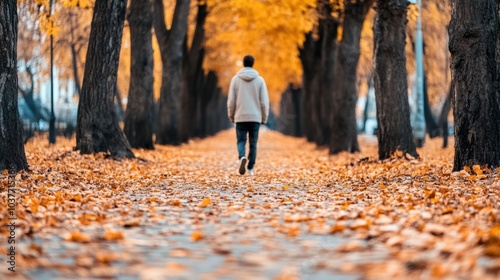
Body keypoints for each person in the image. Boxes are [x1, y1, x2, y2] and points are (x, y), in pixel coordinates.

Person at [227, 55, 269, 175]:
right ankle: (250, 168)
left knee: (241, 140)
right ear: (253, 63)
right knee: (253, 143)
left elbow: (231, 101)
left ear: (243, 63)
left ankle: (242, 157)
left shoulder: (235, 79)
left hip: (240, 116)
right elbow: (264, 102)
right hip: (255, 117)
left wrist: (231, 115)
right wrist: (264, 117)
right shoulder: (260, 80)